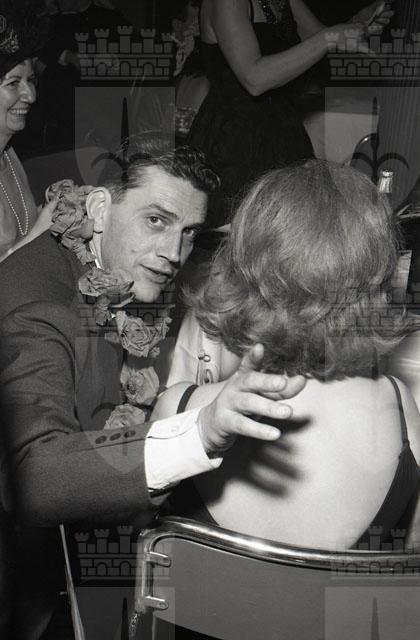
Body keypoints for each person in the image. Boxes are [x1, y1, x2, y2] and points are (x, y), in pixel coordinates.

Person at [0, 141, 304, 638]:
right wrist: (196, 435)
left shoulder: (100, 263)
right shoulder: (40, 305)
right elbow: (32, 479)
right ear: (100, 209)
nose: (173, 254)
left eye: (188, 232)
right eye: (156, 220)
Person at [155, 159, 420, 551]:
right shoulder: (399, 411)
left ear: (240, 267)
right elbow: (409, 558)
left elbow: (137, 533)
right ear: (376, 276)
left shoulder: (179, 410)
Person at [188, 0, 394, 226]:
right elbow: (254, 78)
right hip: (235, 144)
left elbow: (315, 41)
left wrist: (355, 26)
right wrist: (329, 37)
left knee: (291, 232)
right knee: (240, 233)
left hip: (283, 136)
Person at [0, 0, 55, 258]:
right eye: (13, 83)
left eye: (31, 80)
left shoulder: (9, 155)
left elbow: (20, 229)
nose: (30, 96)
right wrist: (40, 231)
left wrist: (54, 210)